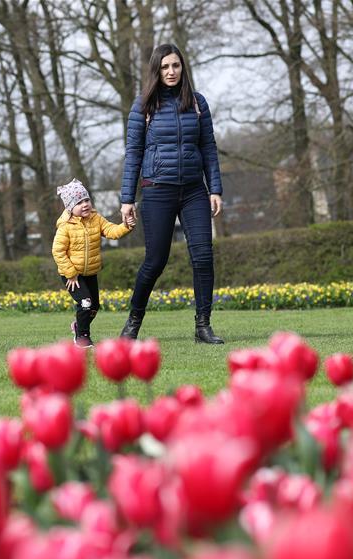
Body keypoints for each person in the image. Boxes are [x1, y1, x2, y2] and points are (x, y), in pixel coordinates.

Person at [119, 43, 225, 344]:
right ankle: (133, 322)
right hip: (157, 191)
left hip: (194, 190)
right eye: (165, 66)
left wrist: (215, 188)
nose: (171, 71)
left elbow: (208, 148)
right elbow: (133, 154)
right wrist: (127, 199)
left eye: (175, 66)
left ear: (182, 68)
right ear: (156, 69)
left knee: (204, 256)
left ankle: (203, 326)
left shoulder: (197, 103)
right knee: (155, 260)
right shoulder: (143, 106)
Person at [52, 179, 134, 348]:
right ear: (69, 207)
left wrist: (126, 226)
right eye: (79, 202)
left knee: (94, 306)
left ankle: (78, 325)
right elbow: (58, 251)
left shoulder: (96, 219)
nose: (84, 205)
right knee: (85, 303)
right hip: (72, 275)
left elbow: (111, 231)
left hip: (90, 272)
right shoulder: (65, 227)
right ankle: (82, 336)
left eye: (86, 200)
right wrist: (71, 273)